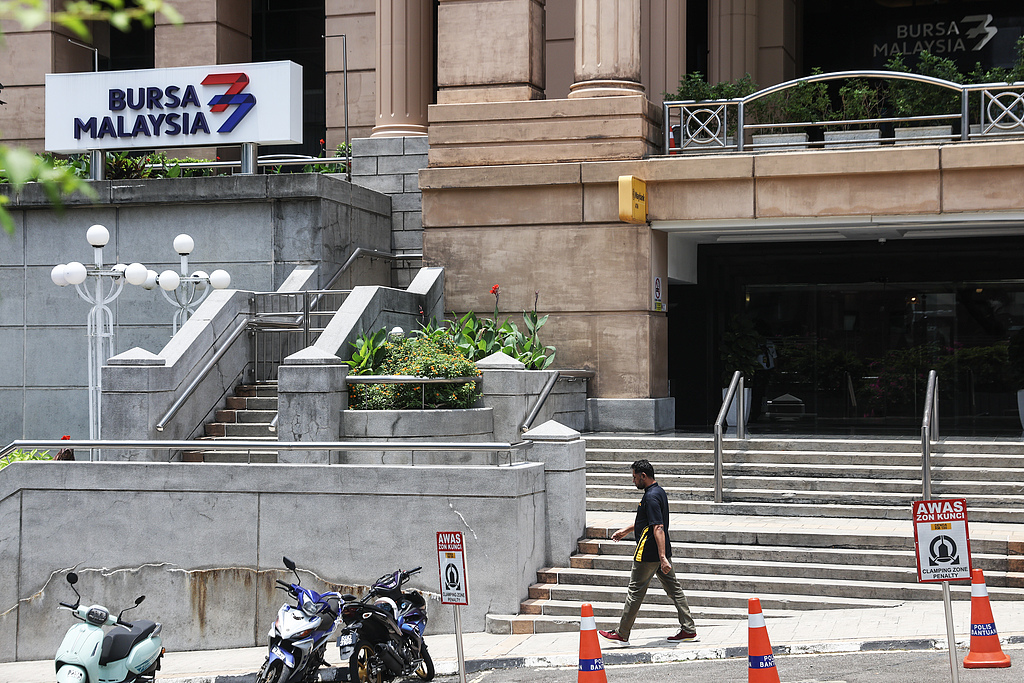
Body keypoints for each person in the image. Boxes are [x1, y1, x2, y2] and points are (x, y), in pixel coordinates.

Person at [598, 459, 697, 644]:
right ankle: (689, 629)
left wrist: (661, 557)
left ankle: (622, 633)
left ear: (643, 476)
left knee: (635, 592)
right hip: (661, 552)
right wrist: (627, 530)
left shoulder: (650, 497)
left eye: (634, 477)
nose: (633, 481)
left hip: (648, 553)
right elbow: (650, 521)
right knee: (675, 590)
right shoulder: (658, 492)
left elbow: (658, 527)